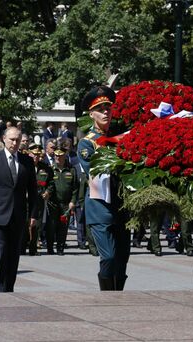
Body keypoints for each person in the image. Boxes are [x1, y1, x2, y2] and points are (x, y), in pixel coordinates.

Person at [77, 85, 131, 291]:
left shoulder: (119, 138)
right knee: (108, 256)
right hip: (100, 209)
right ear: (92, 114)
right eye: (100, 109)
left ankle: (118, 295)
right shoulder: (87, 143)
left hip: (121, 207)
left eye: (108, 107)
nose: (106, 112)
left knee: (122, 258)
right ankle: (107, 294)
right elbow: (94, 170)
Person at [0, 127, 38, 292]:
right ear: (4, 139)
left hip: (18, 215)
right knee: (0, 251)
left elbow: (33, 190)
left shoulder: (26, 161)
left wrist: (33, 214)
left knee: (13, 254)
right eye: (12, 139)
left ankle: (9, 287)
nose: (15, 143)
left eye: (18, 140)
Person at [24, 143, 54, 256]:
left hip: (38, 200)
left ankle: (33, 248)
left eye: (38, 155)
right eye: (33, 154)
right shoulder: (24, 165)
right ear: (29, 154)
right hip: (25, 200)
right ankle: (22, 248)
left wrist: (48, 192)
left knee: (37, 224)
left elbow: (51, 182)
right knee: (24, 224)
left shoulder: (45, 168)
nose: (35, 157)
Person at [51, 143, 78, 255]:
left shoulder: (71, 170)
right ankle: (50, 246)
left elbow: (76, 188)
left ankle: (60, 248)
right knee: (52, 225)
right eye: (56, 156)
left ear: (64, 156)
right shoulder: (51, 169)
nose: (57, 157)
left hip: (66, 204)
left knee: (63, 227)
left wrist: (73, 201)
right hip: (53, 203)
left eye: (60, 156)